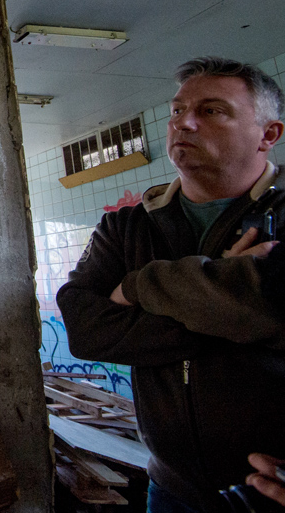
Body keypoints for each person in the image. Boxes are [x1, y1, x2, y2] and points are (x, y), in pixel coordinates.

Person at [57, 57, 285, 512]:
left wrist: (143, 286)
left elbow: (274, 312)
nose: (186, 123)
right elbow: (84, 328)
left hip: (268, 489)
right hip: (171, 486)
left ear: (268, 135)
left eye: (213, 111)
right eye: (178, 111)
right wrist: (225, 296)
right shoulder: (124, 228)